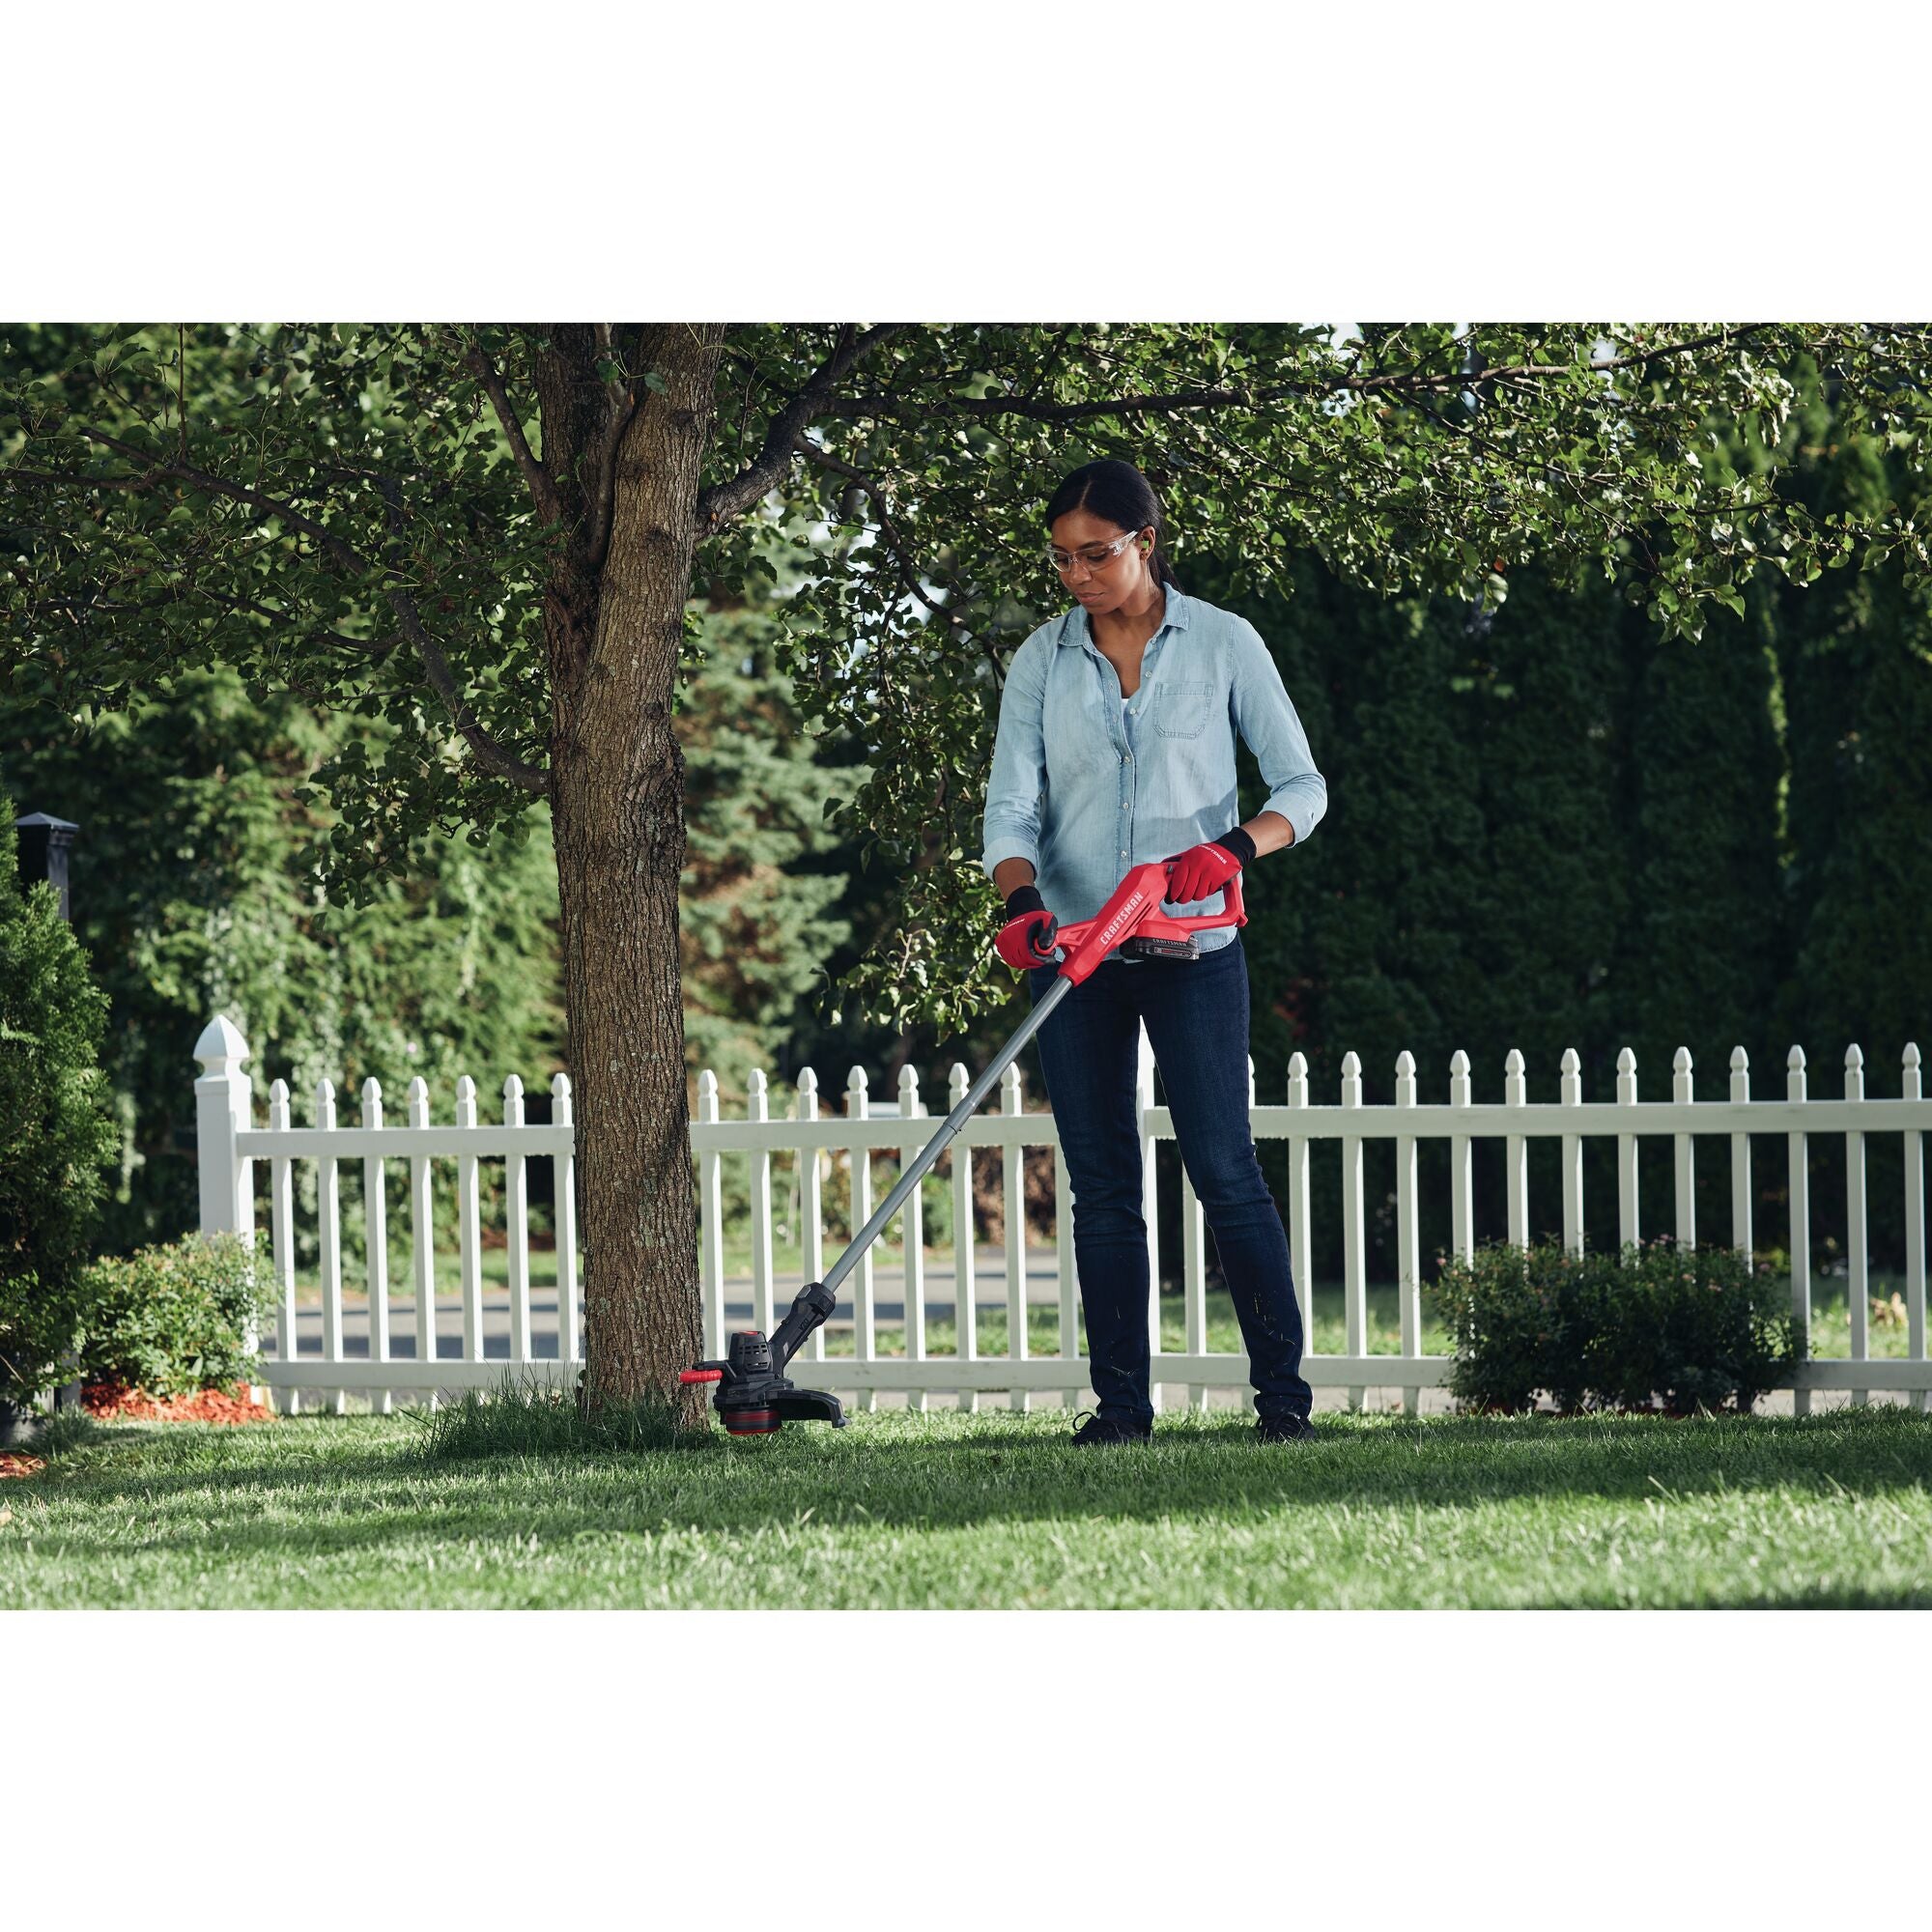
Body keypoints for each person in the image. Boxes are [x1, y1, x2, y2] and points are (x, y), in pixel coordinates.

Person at [980, 459, 1328, 1445]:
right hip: (1077, 953)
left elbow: (1301, 787)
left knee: (1223, 1168)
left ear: (1144, 541)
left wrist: (1227, 850)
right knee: (1101, 1186)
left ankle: (1282, 1404)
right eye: (1060, 558)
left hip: (1192, 947)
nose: (1076, 575)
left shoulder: (1222, 642)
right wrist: (1020, 900)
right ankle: (1121, 1410)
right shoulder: (1040, 662)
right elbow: (1011, 805)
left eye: (1096, 553)